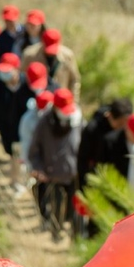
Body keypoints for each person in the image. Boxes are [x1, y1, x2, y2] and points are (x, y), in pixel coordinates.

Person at [28, 88, 82, 240]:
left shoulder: (78, 121)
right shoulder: (44, 123)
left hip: (73, 175)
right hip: (53, 176)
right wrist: (39, 169)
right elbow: (34, 151)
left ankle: (72, 234)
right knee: (56, 208)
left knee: (73, 210)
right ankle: (56, 233)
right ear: (55, 108)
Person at [0, 53, 35, 187]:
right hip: (8, 131)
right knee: (14, 157)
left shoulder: (28, 86)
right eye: (2, 71)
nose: (4, 74)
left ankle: (25, 181)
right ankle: (16, 183)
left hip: (27, 132)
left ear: (17, 69)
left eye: (7, 71)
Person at [76, 97, 133, 189]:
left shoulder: (127, 132)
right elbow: (83, 160)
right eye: (120, 124)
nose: (123, 127)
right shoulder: (92, 129)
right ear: (109, 116)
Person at [21, 28, 80, 97]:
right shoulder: (30, 55)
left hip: (61, 99)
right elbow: (22, 78)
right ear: (42, 42)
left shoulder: (67, 56)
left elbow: (74, 79)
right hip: (36, 100)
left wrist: (73, 101)